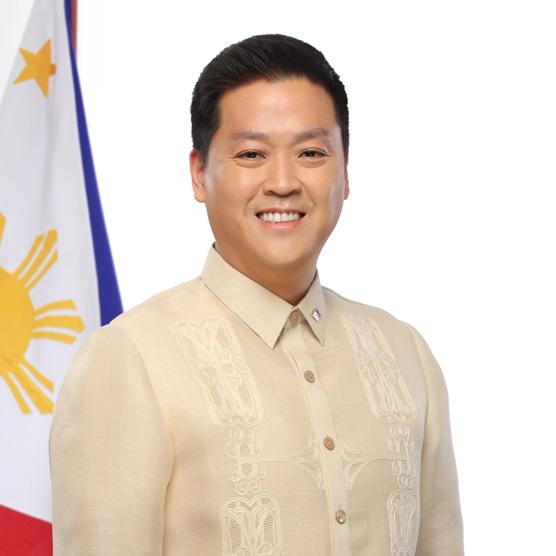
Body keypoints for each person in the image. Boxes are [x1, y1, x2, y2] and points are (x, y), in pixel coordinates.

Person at [49, 33, 464, 555]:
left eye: (311, 152)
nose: (283, 182)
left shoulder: (405, 354)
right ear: (199, 173)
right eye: (251, 154)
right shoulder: (130, 358)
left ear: (345, 171)